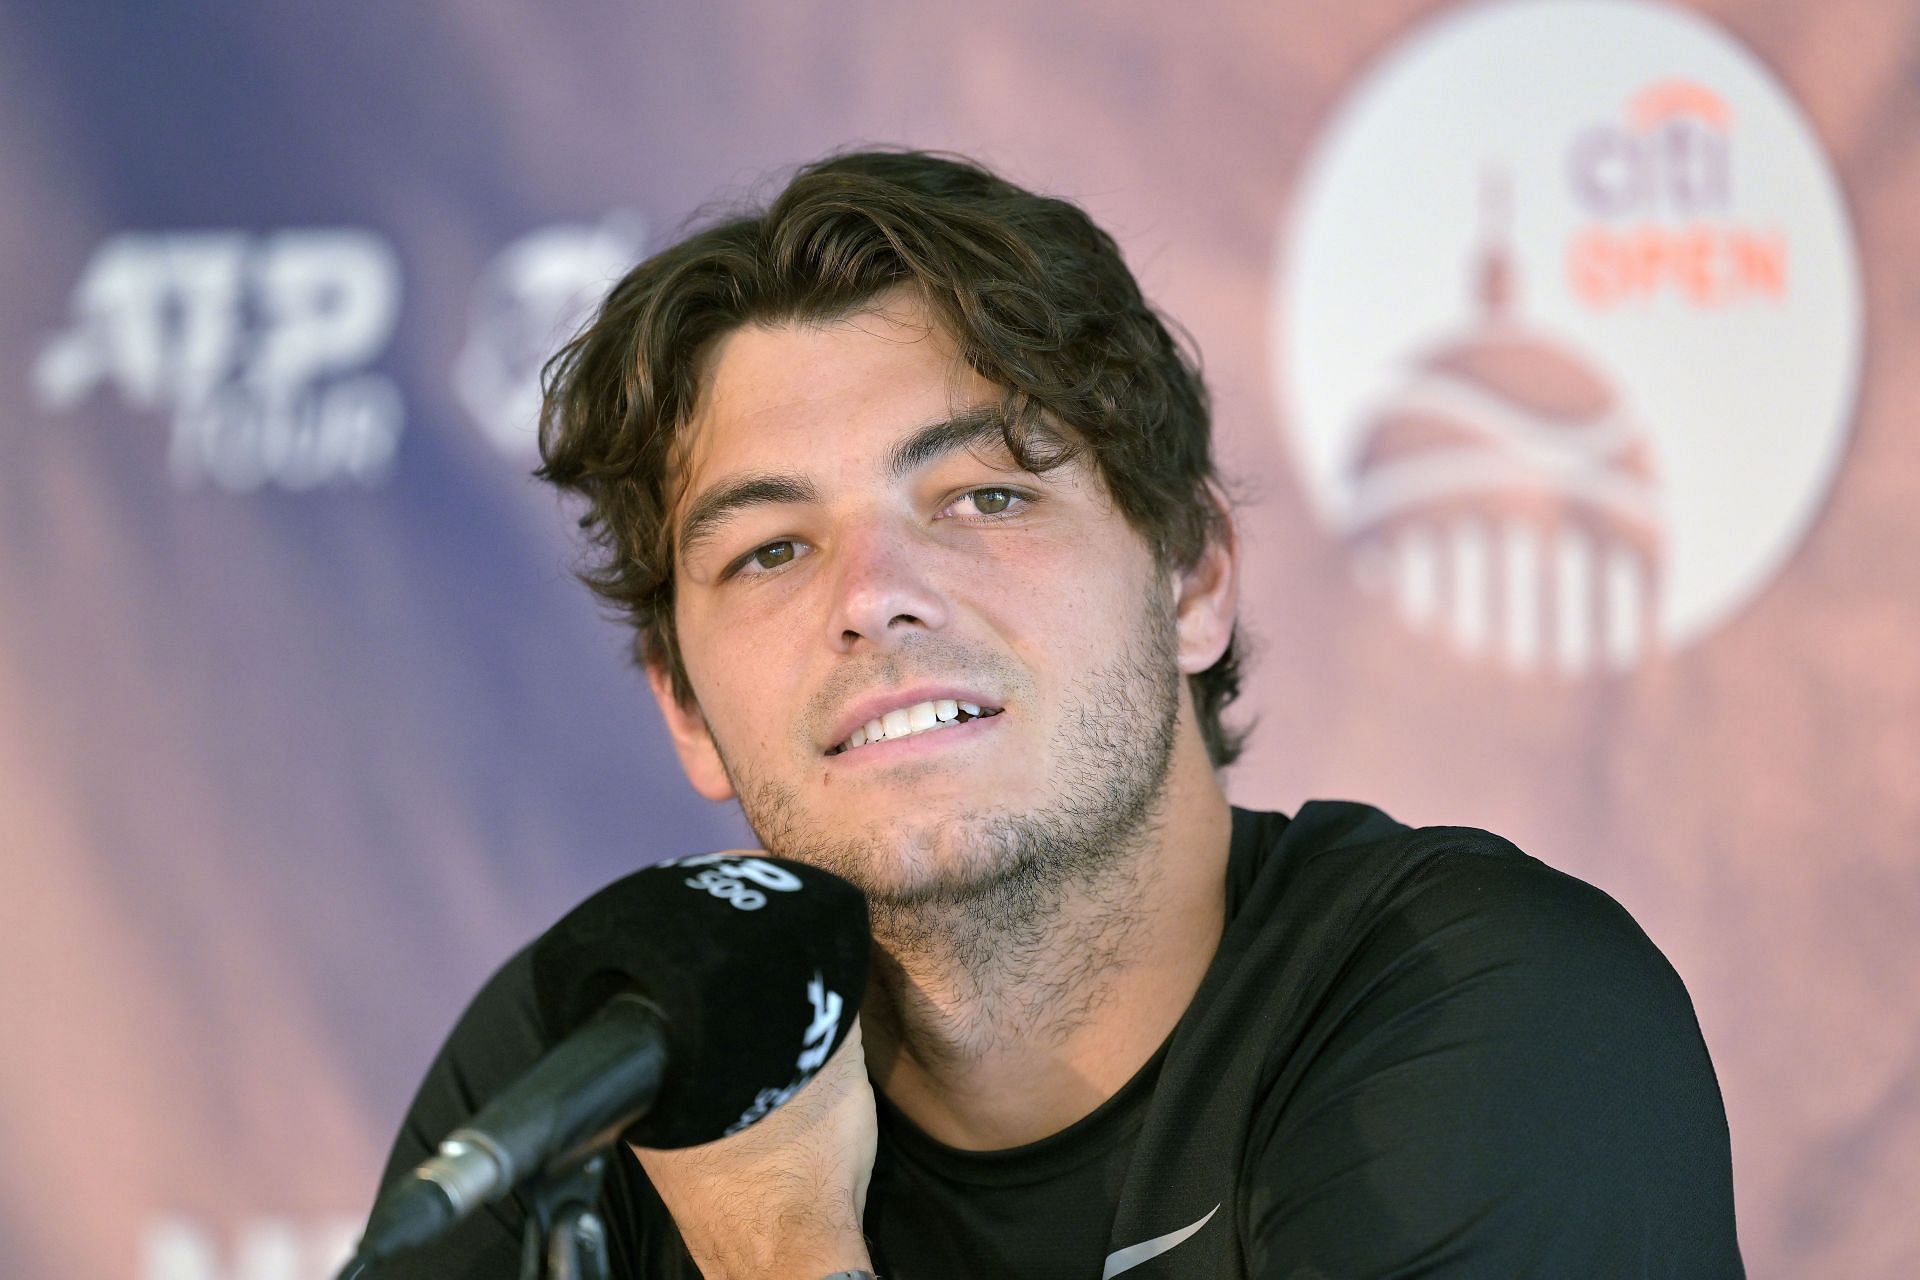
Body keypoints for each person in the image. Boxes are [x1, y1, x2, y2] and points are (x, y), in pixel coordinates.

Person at [368, 150, 1743, 1278]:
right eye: (772, 549)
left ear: (1192, 578)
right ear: (684, 706)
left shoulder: (1489, 1011)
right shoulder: (613, 1050)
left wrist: (783, 1252)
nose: (875, 597)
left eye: (984, 497)